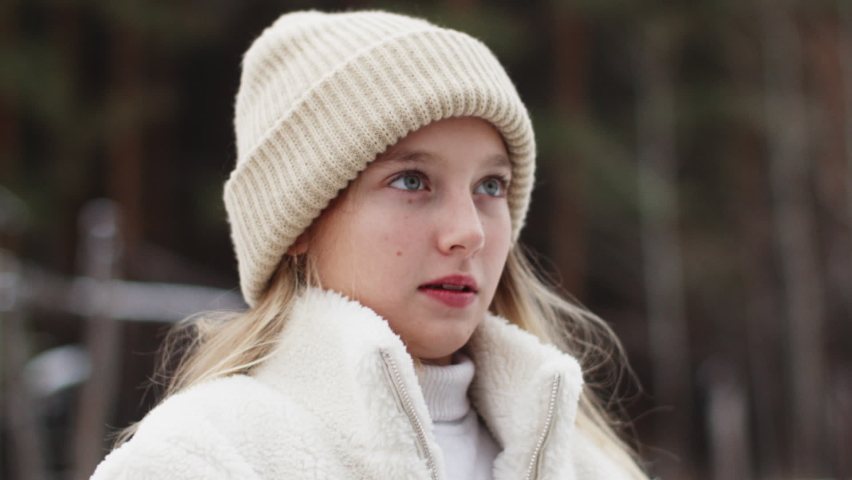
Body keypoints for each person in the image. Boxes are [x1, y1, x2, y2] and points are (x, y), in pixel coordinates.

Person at [92, 10, 648, 480]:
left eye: (490, 186)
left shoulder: (592, 469)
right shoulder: (202, 459)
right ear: (299, 222)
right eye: (411, 181)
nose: (469, 232)